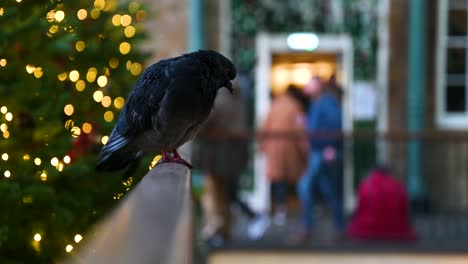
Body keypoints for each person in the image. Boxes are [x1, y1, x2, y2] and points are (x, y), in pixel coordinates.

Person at [292, 76, 345, 243]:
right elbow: (318, 125)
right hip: (317, 152)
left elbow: (335, 124)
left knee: (305, 187)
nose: (306, 86)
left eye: (310, 83)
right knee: (328, 190)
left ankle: (309, 229)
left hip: (323, 152)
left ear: (318, 86)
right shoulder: (316, 103)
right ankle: (338, 228)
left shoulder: (327, 102)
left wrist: (331, 147)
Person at [259, 86, 308, 226]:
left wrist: (262, 146)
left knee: (277, 179)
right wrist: (305, 149)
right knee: (295, 179)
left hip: (273, 148)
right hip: (289, 148)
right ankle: (302, 208)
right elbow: (300, 130)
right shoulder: (296, 107)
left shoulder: (274, 105)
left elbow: (264, 127)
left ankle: (279, 210)